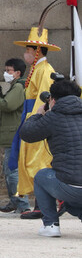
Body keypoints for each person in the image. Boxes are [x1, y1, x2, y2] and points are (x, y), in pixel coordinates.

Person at [12, 13, 60, 219]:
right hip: (30, 113)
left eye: (28, 50)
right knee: (32, 160)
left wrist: (35, 119)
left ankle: (43, 206)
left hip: (36, 115)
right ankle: (39, 205)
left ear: (37, 51)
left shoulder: (45, 70)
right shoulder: (37, 69)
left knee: (39, 161)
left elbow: (44, 98)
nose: (26, 54)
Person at [20, 79, 82, 237]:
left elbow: (26, 133)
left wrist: (38, 114)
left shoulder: (53, 117)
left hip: (71, 185)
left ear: (53, 100)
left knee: (42, 176)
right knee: (72, 197)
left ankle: (51, 225)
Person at [0, 57, 29, 214]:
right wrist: (0, 94)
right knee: (9, 170)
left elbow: (8, 105)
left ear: (17, 72)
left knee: (13, 171)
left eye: (8, 70)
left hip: (14, 134)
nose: (6, 73)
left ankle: (22, 204)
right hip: (12, 133)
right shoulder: (16, 86)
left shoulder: (18, 87)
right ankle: (15, 201)